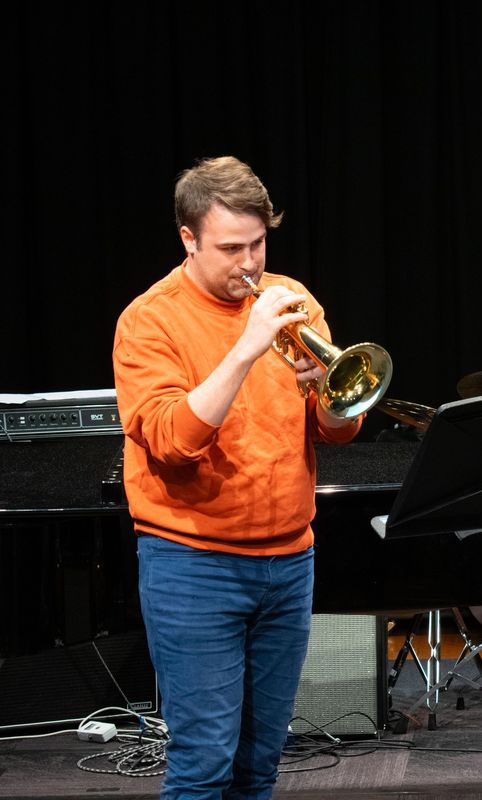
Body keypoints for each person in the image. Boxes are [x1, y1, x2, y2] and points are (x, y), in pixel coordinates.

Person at [112, 156, 363, 799]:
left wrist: (329, 398)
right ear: (188, 239)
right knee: (203, 764)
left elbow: (335, 431)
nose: (248, 264)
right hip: (193, 565)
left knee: (260, 764)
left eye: (258, 243)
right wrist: (246, 347)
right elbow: (171, 444)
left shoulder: (294, 301)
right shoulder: (150, 320)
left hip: (289, 559)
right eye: (230, 248)